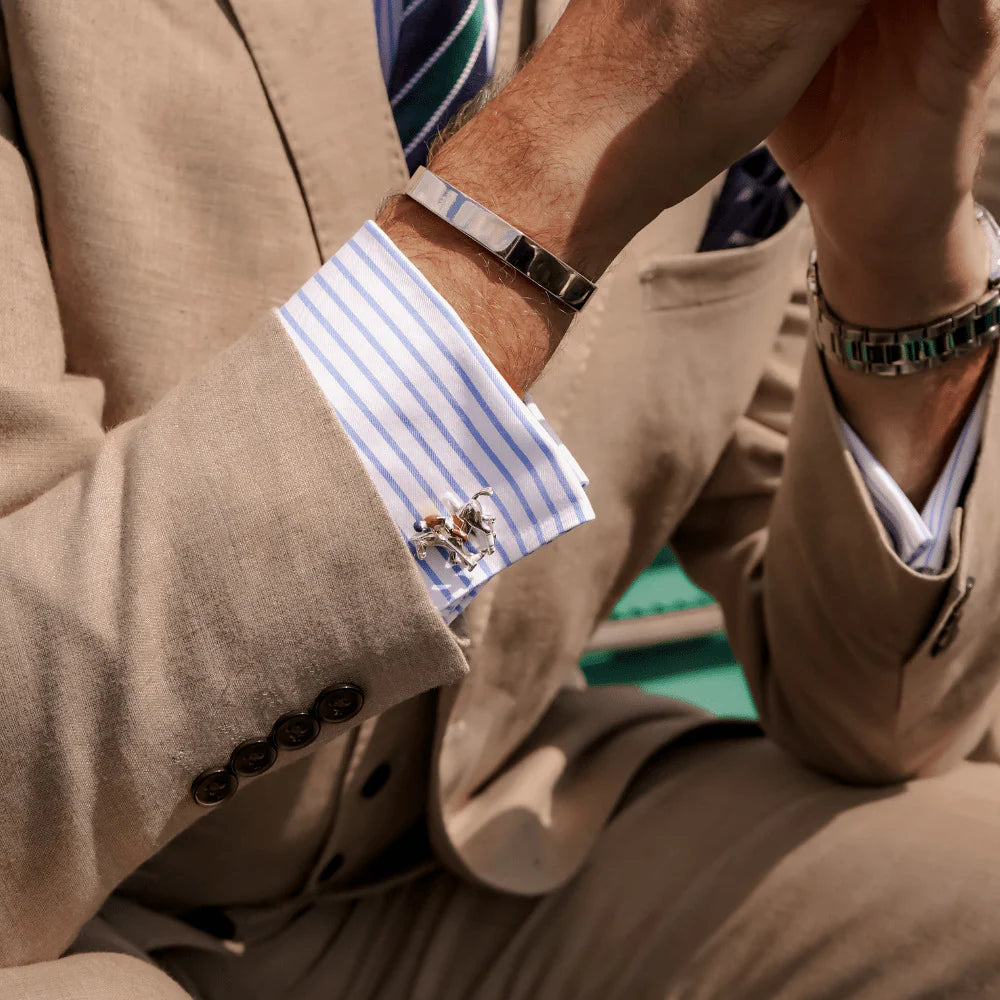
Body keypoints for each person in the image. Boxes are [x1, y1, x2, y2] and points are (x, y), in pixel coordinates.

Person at [2, 0, 1000, 996]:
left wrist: (894, 250)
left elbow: (880, 718)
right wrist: (574, 138)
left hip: (488, 849)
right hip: (72, 918)